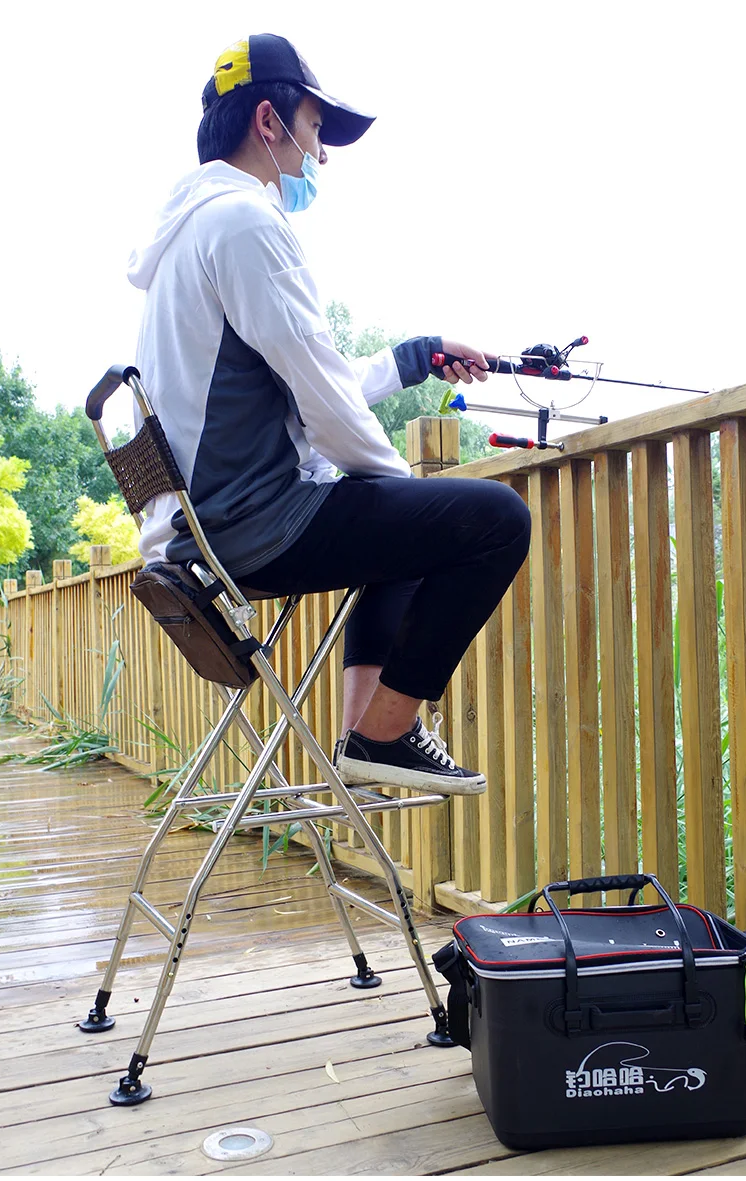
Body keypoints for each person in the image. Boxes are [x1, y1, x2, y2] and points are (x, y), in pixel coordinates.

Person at [128, 34, 531, 796]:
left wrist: (412, 357)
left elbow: (299, 377)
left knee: (408, 522)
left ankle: (370, 738)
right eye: (316, 129)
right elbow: (324, 399)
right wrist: (404, 489)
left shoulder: (189, 235)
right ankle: (381, 737)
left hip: (200, 530)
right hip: (251, 527)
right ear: (270, 124)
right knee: (495, 521)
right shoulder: (245, 226)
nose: (322, 154)